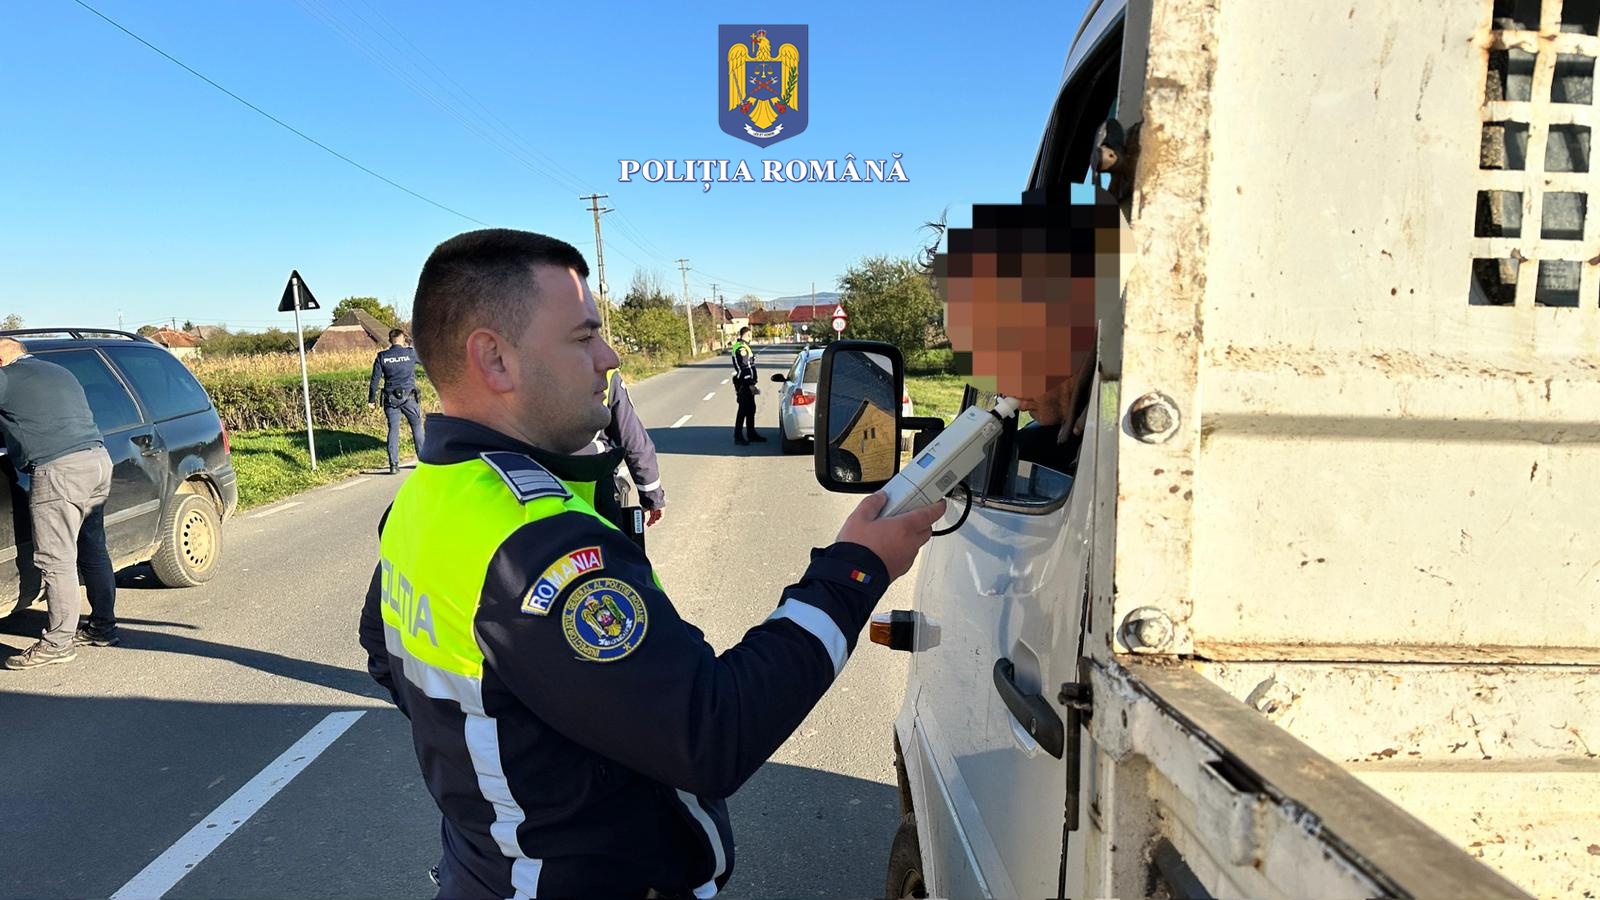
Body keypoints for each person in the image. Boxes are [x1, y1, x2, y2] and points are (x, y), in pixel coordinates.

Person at [358, 229, 944, 898]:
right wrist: (857, 568)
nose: (609, 357)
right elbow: (712, 733)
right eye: (584, 337)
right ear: (494, 359)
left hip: (485, 871)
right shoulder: (541, 546)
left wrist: (514, 761)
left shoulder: (427, 497)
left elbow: (385, 651)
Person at [0, 338, 118, 669]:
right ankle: (103, 627)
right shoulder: (59, 371)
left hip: (60, 471)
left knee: (56, 560)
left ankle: (58, 643)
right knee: (92, 548)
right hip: (97, 460)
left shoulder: (6, 377)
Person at [368, 328, 425, 475]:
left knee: (393, 430)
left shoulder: (382, 356)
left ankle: (393, 465)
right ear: (403, 339)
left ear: (390, 340)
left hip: (390, 399)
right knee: (417, 427)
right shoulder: (410, 353)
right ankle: (423, 462)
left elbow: (374, 380)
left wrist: (371, 400)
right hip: (409, 398)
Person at [729, 326, 764, 445]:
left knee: (751, 409)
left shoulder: (743, 346)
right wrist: (750, 384)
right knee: (743, 410)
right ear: (747, 334)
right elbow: (745, 367)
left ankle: (751, 433)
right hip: (744, 383)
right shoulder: (741, 348)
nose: (751, 337)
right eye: (750, 335)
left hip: (747, 382)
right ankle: (738, 436)